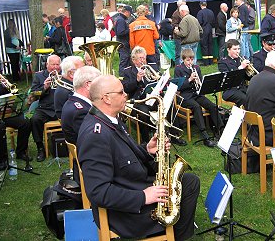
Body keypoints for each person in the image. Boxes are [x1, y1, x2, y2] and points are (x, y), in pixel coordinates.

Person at [77, 74, 199, 240]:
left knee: (189, 180)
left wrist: (148, 150)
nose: (126, 94)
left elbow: (122, 155)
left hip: (132, 188)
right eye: (121, 92)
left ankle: (177, 233)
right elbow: (98, 192)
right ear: (106, 98)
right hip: (127, 215)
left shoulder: (110, 120)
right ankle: (176, 235)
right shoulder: (96, 135)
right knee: (189, 185)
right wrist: (143, 196)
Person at [174, 48, 222, 148]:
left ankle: (220, 130)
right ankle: (205, 136)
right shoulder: (178, 69)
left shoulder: (196, 68)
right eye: (188, 60)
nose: (190, 62)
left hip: (197, 94)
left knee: (212, 106)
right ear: (183, 59)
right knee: (196, 107)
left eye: (192, 59)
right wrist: (190, 79)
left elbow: (201, 84)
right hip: (185, 96)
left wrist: (200, 83)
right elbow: (178, 87)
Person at [122, 46, 160, 144]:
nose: (143, 60)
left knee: (166, 105)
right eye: (140, 58)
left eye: (144, 58)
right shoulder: (128, 71)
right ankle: (146, 140)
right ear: (133, 60)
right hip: (137, 101)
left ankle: (168, 134)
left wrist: (156, 80)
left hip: (151, 98)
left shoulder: (150, 68)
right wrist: (137, 80)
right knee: (144, 113)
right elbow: (126, 88)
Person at [30, 55, 61, 162]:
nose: (56, 67)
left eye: (58, 64)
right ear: (47, 64)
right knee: (35, 120)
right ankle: (40, 147)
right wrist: (44, 87)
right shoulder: (39, 76)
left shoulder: (63, 75)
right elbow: (34, 94)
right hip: (45, 108)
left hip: (60, 107)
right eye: (53, 64)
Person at [61, 66, 101, 145]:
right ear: (88, 85)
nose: (101, 87)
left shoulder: (74, 102)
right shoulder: (81, 111)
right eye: (99, 83)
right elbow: (95, 139)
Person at [218, 39, 250, 107]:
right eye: (235, 49)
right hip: (230, 90)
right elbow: (228, 77)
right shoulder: (223, 62)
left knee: (256, 96)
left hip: (243, 88)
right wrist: (241, 67)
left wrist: (248, 70)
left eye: (239, 49)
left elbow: (248, 78)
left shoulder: (241, 60)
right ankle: (245, 116)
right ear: (228, 50)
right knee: (245, 99)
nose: (237, 51)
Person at [114, 5, 133, 76]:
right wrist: (129, 30)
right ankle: (122, 75)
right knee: (124, 60)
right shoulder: (121, 20)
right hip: (123, 44)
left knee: (125, 60)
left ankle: (125, 74)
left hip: (121, 43)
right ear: (127, 12)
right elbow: (120, 32)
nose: (130, 15)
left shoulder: (118, 18)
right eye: (130, 13)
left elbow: (114, 29)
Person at [197, 1, 215, 66]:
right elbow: (213, 22)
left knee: (204, 45)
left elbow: (199, 22)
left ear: (201, 5)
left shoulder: (200, 12)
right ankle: (211, 61)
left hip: (203, 30)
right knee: (210, 44)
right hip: (210, 29)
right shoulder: (211, 12)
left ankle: (206, 62)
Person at [171, 0, 186, 65]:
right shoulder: (175, 14)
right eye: (184, 4)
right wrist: (181, 26)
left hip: (184, 35)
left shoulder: (185, 12)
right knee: (179, 53)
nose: (185, 6)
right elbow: (174, 24)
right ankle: (178, 67)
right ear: (179, 5)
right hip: (178, 36)